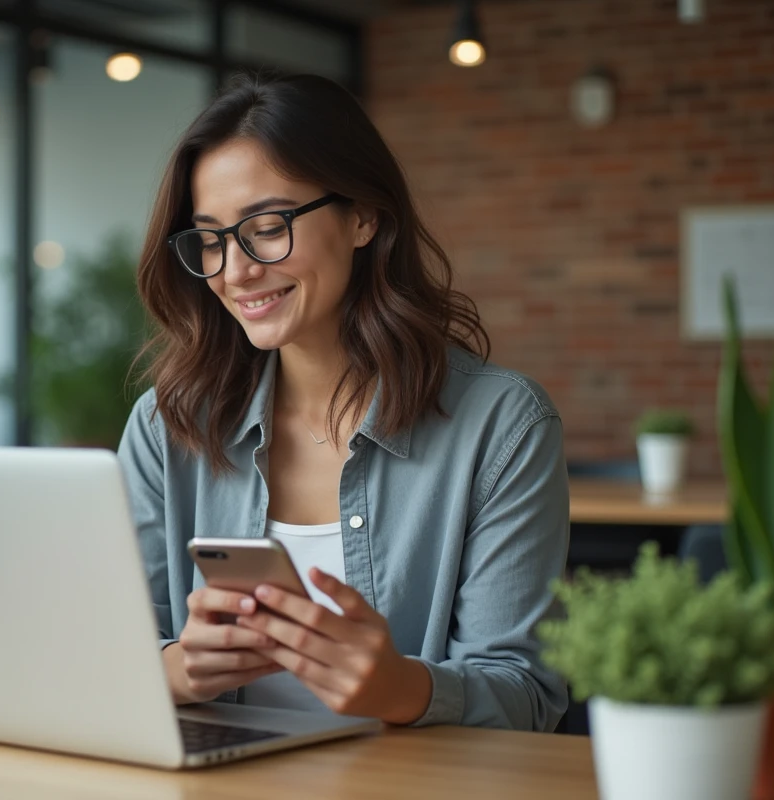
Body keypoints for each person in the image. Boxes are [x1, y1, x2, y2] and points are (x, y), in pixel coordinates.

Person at [118, 70, 569, 731]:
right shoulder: (168, 425)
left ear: (363, 216)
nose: (235, 270)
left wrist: (404, 689)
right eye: (211, 239)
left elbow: (528, 699)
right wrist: (182, 668)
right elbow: (106, 654)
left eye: (266, 226)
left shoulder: (502, 426)